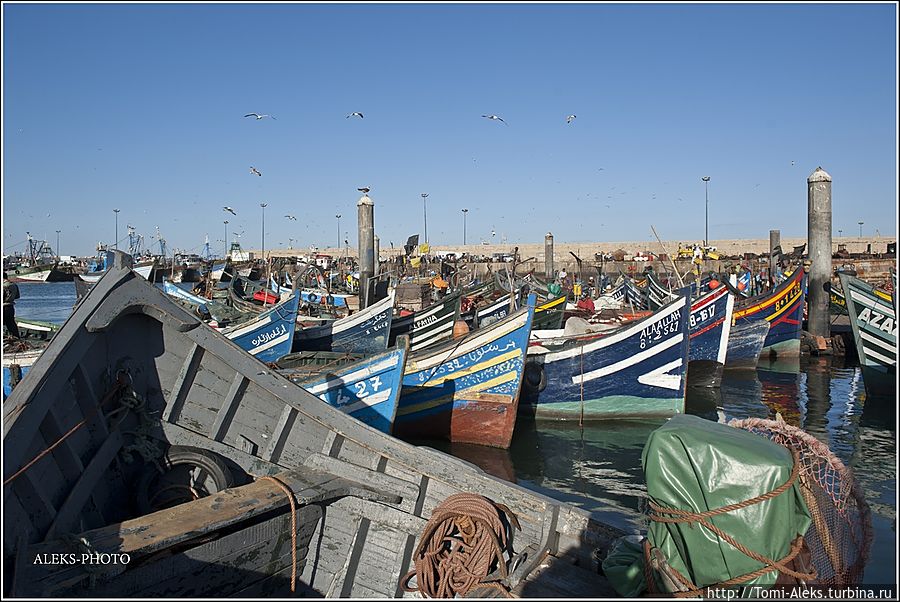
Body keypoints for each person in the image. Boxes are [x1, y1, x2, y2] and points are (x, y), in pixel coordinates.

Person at [3, 272, 21, 339]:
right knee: (11, 324)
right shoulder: (14, 285)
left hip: (3, 307)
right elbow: (17, 296)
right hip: (10, 307)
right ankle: (16, 338)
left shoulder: (3, 285)